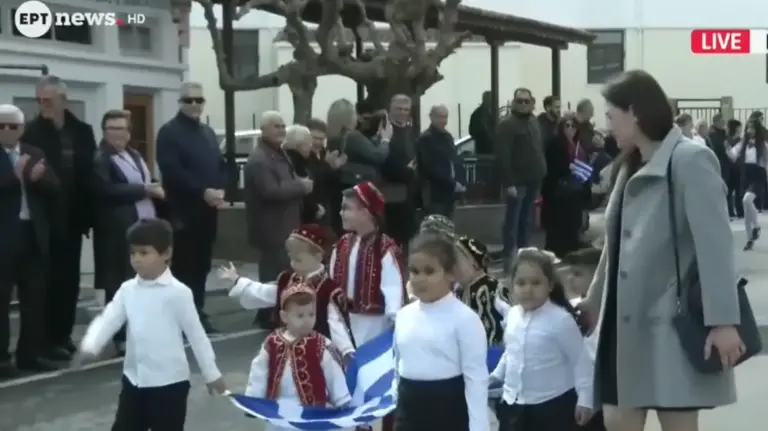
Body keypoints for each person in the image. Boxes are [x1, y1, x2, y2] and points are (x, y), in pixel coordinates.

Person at [584, 70, 742, 431]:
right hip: (622, 323)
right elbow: (614, 245)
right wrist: (593, 301)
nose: (606, 126)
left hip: (668, 321)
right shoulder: (630, 164)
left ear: (634, 112)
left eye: (610, 115)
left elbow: (715, 247)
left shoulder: (690, 160)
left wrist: (722, 321)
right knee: (616, 419)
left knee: (677, 422)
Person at [77, 219, 227, 430]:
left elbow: (197, 335)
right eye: (133, 253)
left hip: (170, 385)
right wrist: (91, 345)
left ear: (166, 253)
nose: (137, 259)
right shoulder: (127, 290)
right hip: (134, 380)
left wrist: (211, 373)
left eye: (144, 253)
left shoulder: (178, 293)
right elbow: (109, 318)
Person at [23, 75, 97, 359]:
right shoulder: (31, 133)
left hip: (74, 217)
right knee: (46, 283)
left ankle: (63, 335)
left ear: (64, 101)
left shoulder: (82, 132)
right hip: (44, 220)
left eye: (48, 100)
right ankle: (44, 341)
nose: (43, 105)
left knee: (69, 280)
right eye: (40, 100)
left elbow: (89, 173)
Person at [394, 232, 489, 431]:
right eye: (414, 271)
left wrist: (479, 427)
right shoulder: (403, 315)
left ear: (450, 274)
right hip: (408, 412)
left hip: (447, 412)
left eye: (429, 271)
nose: (420, 279)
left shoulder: (465, 319)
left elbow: (476, 379)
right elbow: (398, 365)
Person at [329, 181, 405, 431]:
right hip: (345, 324)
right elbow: (331, 289)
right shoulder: (341, 246)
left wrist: (395, 329)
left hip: (376, 326)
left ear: (366, 212)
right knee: (350, 384)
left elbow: (393, 290)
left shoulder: (386, 248)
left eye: (346, 208)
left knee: (380, 383)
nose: (341, 213)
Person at [491, 247, 593, 431]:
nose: (528, 289)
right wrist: (496, 376)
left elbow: (580, 360)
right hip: (513, 403)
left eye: (536, 283)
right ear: (512, 285)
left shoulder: (560, 320)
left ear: (550, 285)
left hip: (552, 405)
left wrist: (585, 399)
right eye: (521, 283)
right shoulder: (512, 315)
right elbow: (512, 351)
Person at [91, 109, 166, 355]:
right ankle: (121, 337)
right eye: (111, 129)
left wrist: (152, 189)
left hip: (142, 227)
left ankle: (139, 333)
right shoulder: (101, 158)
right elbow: (105, 190)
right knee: (119, 285)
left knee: (142, 282)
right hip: (117, 231)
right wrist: (144, 190)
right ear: (104, 132)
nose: (117, 134)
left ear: (129, 132)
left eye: (121, 128)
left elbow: (144, 181)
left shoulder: (133, 154)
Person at [218, 224, 354, 358]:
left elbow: (337, 325)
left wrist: (346, 351)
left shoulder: (328, 289)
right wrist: (237, 280)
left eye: (298, 259)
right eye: (291, 258)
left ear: (318, 257)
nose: (293, 264)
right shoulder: (286, 279)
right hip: (286, 348)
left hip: (318, 352)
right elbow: (264, 293)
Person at [156, 81, 226, 334]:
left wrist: (221, 189)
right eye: (189, 100)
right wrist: (202, 191)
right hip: (182, 212)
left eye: (199, 100)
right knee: (183, 267)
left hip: (208, 212)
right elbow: (172, 170)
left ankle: (197, 311)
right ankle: (180, 318)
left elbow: (219, 165)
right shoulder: (169, 132)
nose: (195, 105)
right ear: (180, 102)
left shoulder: (208, 133)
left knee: (202, 265)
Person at [0, 104, 60, 376]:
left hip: (32, 235)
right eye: (1, 126)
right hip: (4, 236)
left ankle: (30, 354)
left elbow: (55, 187)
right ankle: (1, 358)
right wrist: (16, 176)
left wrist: (38, 179)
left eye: (13, 126)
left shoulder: (34, 153)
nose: (7, 131)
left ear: (22, 128)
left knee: (34, 299)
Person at [244, 282, 351, 431]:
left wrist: (342, 400)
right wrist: (253, 400)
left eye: (311, 314)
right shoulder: (272, 343)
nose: (307, 320)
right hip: (279, 411)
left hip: (313, 412)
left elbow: (333, 374)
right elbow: (259, 372)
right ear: (284, 316)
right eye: (300, 315)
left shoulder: (321, 344)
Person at [245, 112, 311, 282]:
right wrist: (301, 186)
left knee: (285, 278)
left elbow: (286, 179)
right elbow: (271, 190)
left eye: (283, 126)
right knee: (273, 280)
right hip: (272, 231)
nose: (281, 130)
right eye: (276, 126)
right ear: (263, 129)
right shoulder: (260, 159)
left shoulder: (279, 153)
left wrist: (298, 182)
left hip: (285, 228)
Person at [496, 87, 546, 272]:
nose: (524, 104)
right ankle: (509, 262)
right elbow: (503, 156)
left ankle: (525, 259)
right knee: (513, 222)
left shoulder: (533, 121)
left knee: (526, 222)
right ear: (514, 103)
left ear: (532, 102)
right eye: (520, 101)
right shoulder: (507, 124)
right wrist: (508, 183)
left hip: (533, 179)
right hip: (517, 182)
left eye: (527, 101)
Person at [561, 247, 606, 431]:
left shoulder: (612, 315)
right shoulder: (568, 312)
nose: (570, 279)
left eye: (578, 274)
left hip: (606, 399)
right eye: (570, 273)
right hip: (575, 396)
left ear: (598, 277)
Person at [541, 113, 591, 257]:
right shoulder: (555, 143)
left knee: (573, 228)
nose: (570, 129)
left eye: (573, 126)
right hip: (558, 194)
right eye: (567, 125)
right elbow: (551, 167)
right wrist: (568, 167)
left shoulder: (579, 145)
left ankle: (570, 254)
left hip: (575, 193)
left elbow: (586, 167)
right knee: (557, 231)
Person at [454, 236, 512, 345]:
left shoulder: (493, 288)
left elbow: (511, 317)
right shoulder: (456, 291)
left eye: (457, 260)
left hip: (493, 350)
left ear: (474, 263)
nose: (453, 266)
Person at [283, 124, 346, 224]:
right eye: (315, 138)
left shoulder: (326, 153)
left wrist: (335, 169)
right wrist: (327, 166)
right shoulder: (301, 159)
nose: (317, 142)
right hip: (310, 211)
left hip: (325, 204)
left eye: (321, 139)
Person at [381, 95, 419, 252]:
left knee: (408, 237)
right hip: (391, 191)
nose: (402, 112)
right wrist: (407, 170)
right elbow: (384, 160)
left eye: (405, 109)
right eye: (399, 109)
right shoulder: (384, 131)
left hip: (409, 192)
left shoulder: (410, 131)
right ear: (390, 109)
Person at [417, 104, 465, 217]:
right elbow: (430, 167)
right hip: (435, 194)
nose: (443, 120)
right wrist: (453, 183)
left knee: (449, 223)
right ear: (431, 117)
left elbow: (454, 160)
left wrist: (461, 182)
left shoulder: (447, 136)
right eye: (440, 117)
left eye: (445, 117)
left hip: (450, 193)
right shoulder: (426, 138)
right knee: (437, 224)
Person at [728, 121, 768, 250]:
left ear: (757, 130)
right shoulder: (742, 143)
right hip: (745, 175)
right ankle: (749, 239)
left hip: (758, 175)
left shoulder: (763, 145)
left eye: (753, 128)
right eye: (748, 128)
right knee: (746, 211)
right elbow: (733, 157)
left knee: (747, 200)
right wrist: (727, 148)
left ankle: (756, 226)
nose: (750, 131)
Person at [725, 119, 743, 218]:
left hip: (738, 168)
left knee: (739, 191)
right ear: (736, 128)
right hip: (730, 168)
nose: (741, 129)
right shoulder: (727, 140)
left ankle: (740, 211)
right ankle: (730, 211)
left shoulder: (740, 140)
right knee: (729, 190)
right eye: (740, 127)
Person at [469, 91, 494, 155]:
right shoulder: (477, 115)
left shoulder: (492, 113)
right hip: (482, 150)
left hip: (487, 150)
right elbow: (472, 132)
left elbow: (471, 132)